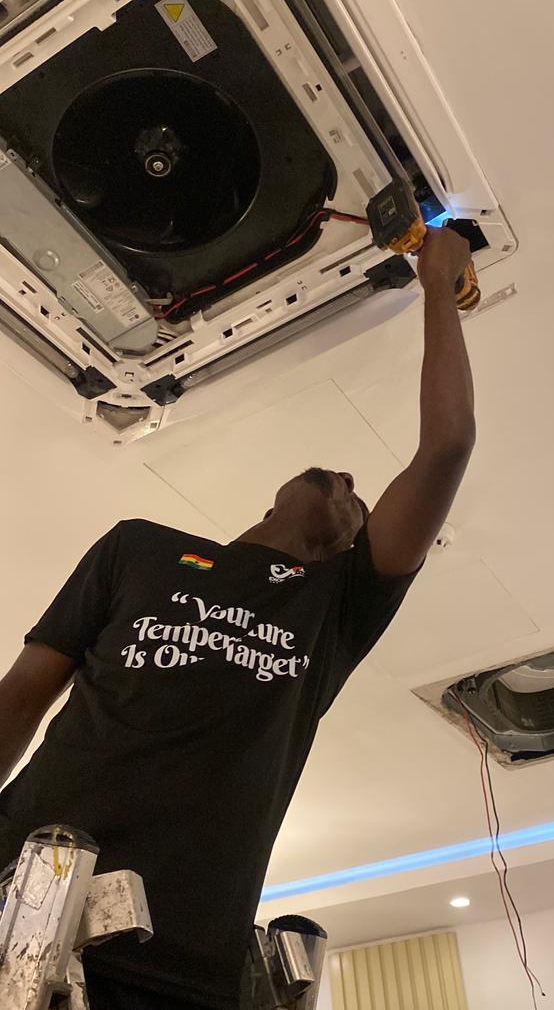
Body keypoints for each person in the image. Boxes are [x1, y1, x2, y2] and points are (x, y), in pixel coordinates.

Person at [0, 228, 475, 1010]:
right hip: (13, 892)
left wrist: (437, 283)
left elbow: (447, 445)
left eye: (358, 501)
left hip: (176, 965)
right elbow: (21, 697)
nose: (348, 477)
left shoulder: (335, 606)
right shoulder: (138, 548)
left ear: (350, 547)